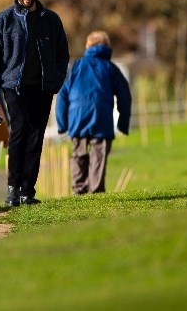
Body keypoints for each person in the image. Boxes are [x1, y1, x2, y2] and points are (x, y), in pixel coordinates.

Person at [0, 0, 70, 207]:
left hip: (42, 88)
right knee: (19, 132)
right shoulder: (2, 21)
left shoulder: (51, 20)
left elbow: (63, 54)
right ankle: (13, 189)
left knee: (36, 137)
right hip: (14, 86)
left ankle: (27, 191)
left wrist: (57, 80)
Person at [55, 30, 132, 194]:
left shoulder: (76, 66)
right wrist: (123, 123)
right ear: (107, 47)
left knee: (79, 152)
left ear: (88, 46)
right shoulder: (111, 68)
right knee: (99, 153)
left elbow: (62, 94)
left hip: (77, 115)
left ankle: (79, 187)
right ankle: (95, 190)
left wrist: (62, 124)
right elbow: (124, 96)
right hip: (101, 115)